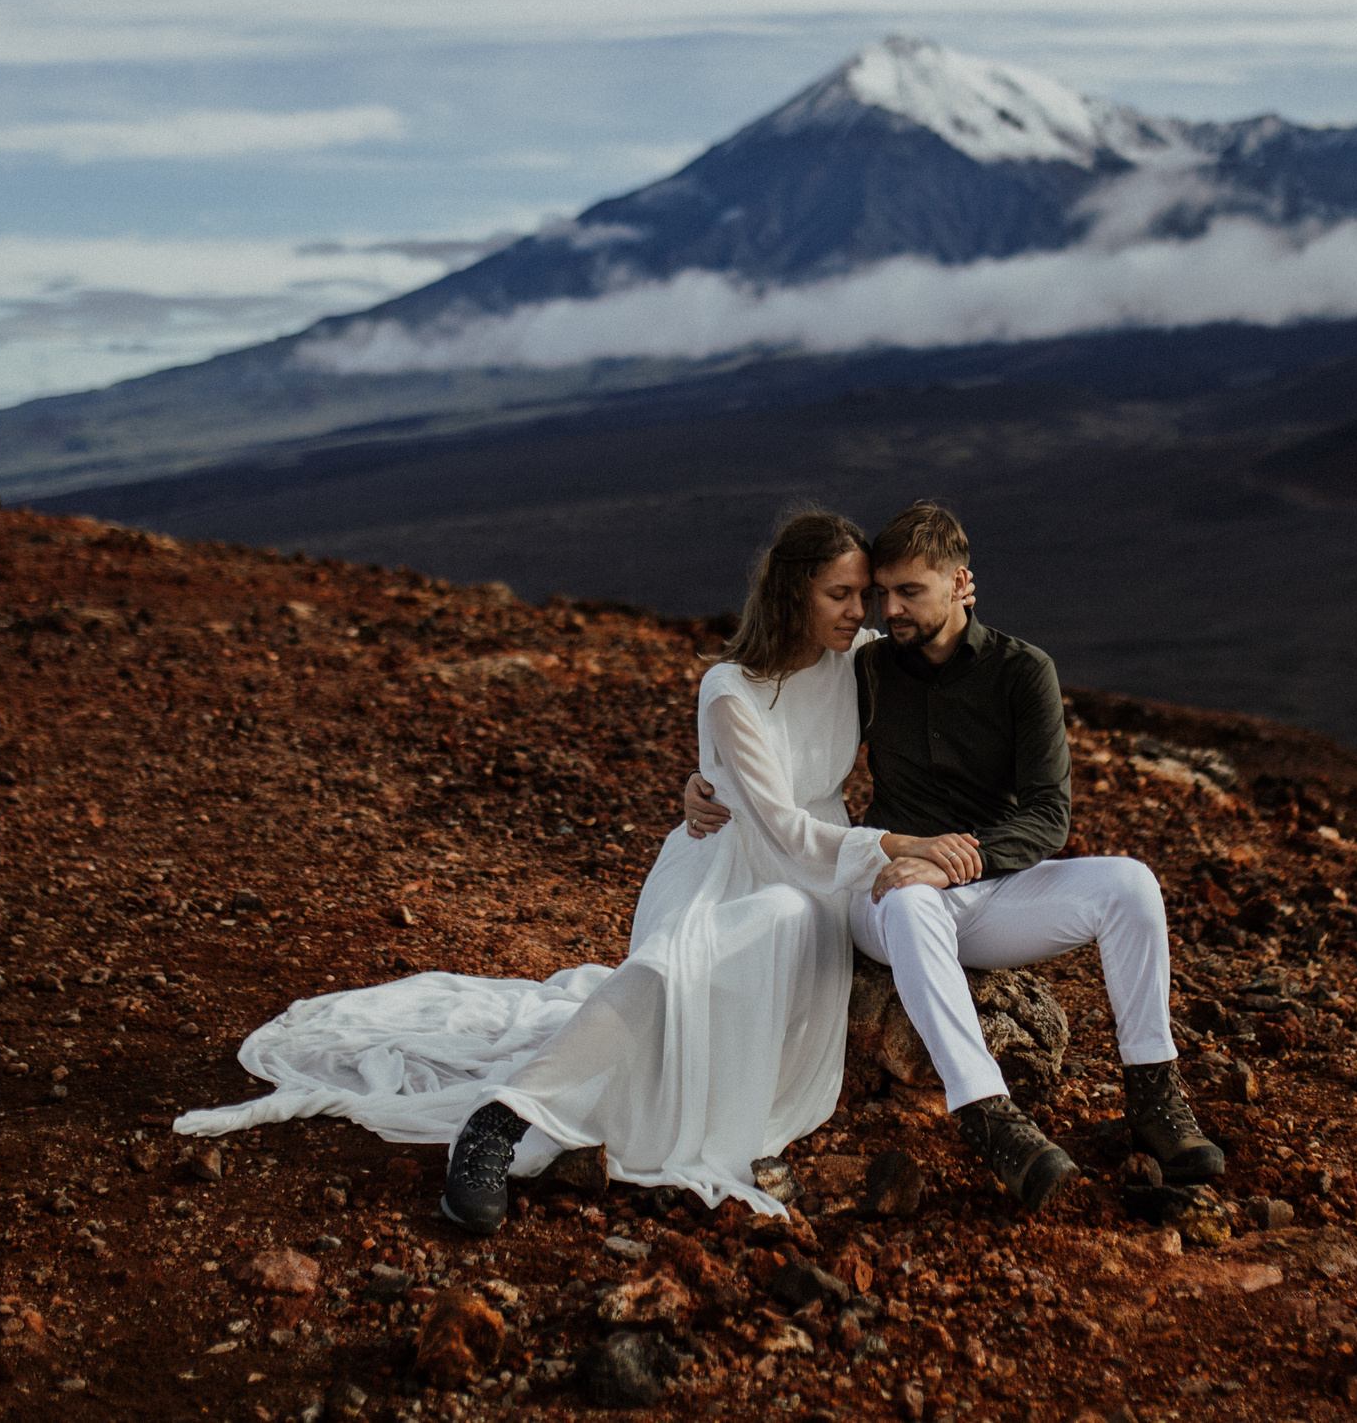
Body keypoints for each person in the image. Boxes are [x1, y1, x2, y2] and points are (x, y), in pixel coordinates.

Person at [172, 509, 979, 1235]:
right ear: (794, 593)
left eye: (864, 595)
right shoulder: (728, 688)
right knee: (676, 963)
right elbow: (778, 825)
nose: (862, 611)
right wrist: (894, 843)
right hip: (729, 869)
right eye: (842, 594)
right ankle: (499, 1120)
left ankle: (556, 1096)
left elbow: (945, 652)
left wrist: (957, 602)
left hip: (811, 874)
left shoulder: (859, 658)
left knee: (785, 919)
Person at [683, 500, 1223, 1209]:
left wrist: (955, 860)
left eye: (910, 591)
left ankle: (1154, 1096)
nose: (890, 610)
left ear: (960, 583)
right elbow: (780, 712)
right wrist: (708, 779)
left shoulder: (1023, 671)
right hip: (887, 893)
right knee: (910, 900)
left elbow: (1050, 815)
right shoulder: (871, 664)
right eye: (884, 593)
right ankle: (988, 1114)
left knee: (1132, 884)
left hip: (991, 887)